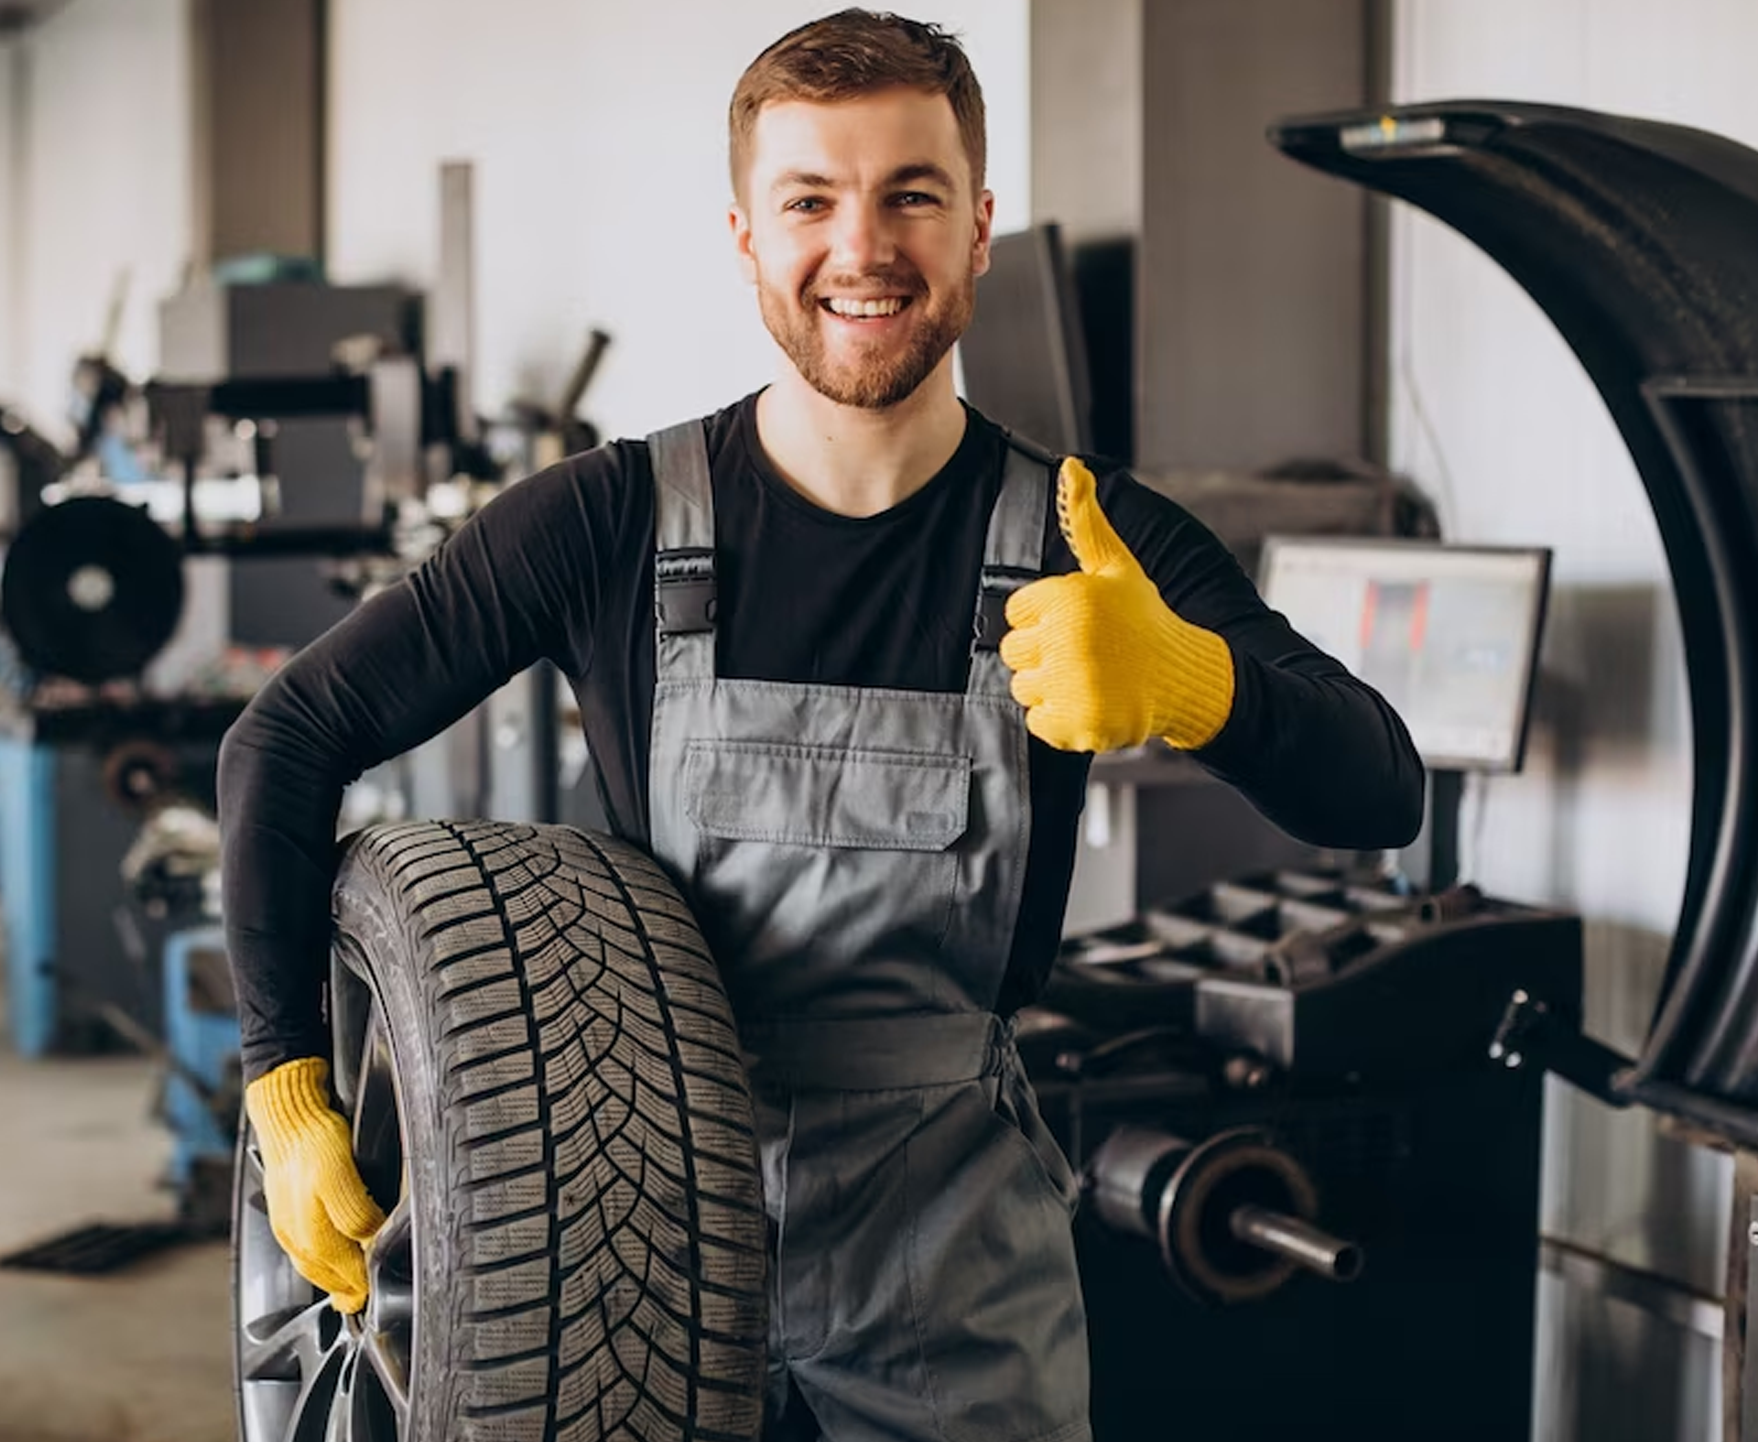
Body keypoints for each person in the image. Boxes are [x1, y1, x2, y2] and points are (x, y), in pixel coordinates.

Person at [218, 9, 1423, 1440]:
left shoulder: (1090, 537)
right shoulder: (604, 523)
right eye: (810, 200)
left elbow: (1380, 787)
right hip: (620, 1259)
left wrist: (1191, 684)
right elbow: (285, 739)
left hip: (952, 1279)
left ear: (977, 229)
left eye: (910, 195)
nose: (862, 248)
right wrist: (286, 1080)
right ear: (743, 236)